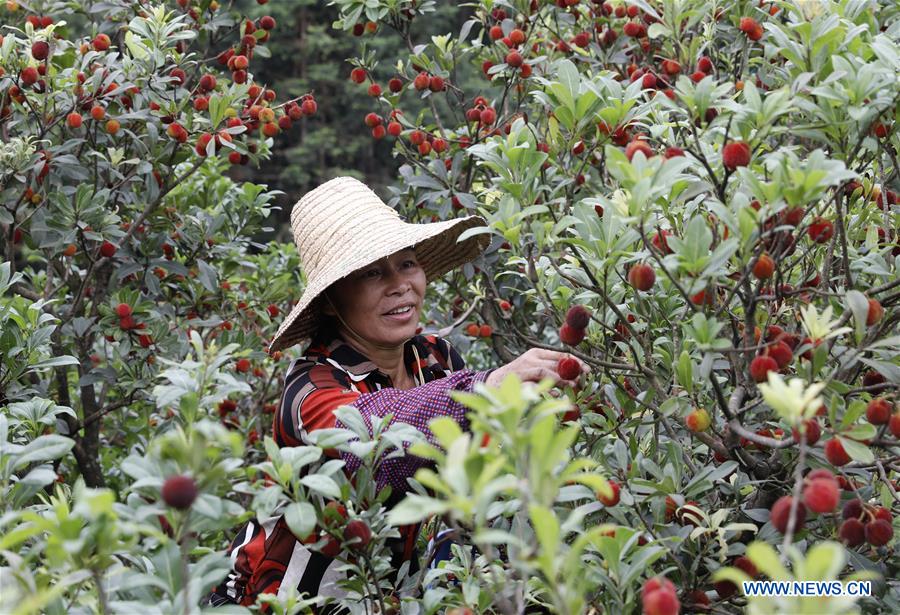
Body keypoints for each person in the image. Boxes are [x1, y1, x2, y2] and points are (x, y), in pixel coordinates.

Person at [206, 177, 587, 609]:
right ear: (329, 300)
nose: (399, 284)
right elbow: (376, 441)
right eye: (371, 272)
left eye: (406, 263)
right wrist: (486, 389)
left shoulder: (436, 359)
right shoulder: (311, 389)